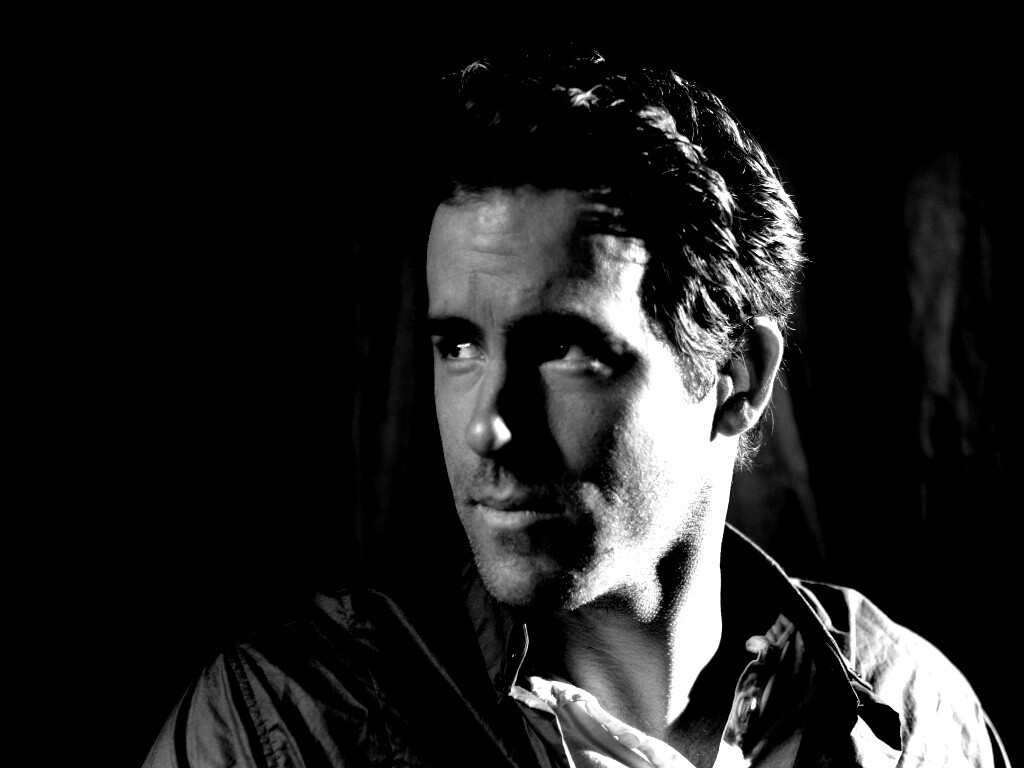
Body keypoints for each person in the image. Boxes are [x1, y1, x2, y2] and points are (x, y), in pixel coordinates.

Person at [143, 49, 1008, 768]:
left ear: (737, 378)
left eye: (566, 351)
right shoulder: (287, 724)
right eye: (459, 346)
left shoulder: (917, 716)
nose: (487, 428)